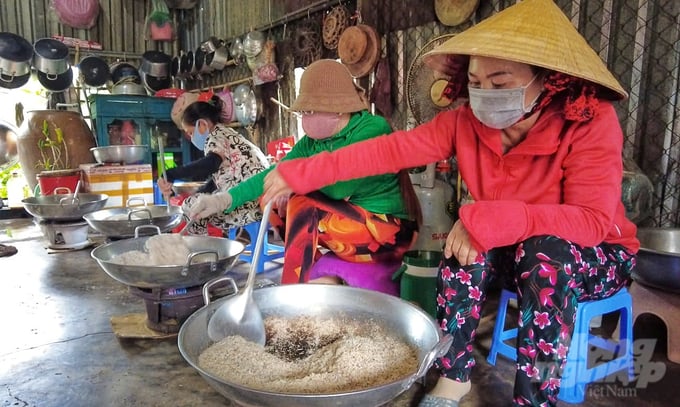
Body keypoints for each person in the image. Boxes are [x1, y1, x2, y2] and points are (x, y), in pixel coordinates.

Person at [259, 0, 639, 406]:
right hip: (511, 248)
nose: (483, 94)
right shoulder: (465, 122)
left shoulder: (589, 121)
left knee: (544, 250)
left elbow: (592, 222)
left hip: (595, 256)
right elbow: (387, 151)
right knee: (463, 248)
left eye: (499, 82)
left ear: (548, 80)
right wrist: (298, 173)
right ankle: (453, 378)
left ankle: (535, 397)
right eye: (475, 81)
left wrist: (489, 220)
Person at [188, 59, 421, 294]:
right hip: (352, 226)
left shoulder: (373, 129)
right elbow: (272, 175)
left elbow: (339, 187)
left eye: (309, 111)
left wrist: (293, 182)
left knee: (300, 204)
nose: (305, 117)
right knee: (272, 198)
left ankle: (293, 294)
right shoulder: (313, 142)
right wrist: (222, 200)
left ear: (338, 107)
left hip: (390, 233)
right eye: (303, 112)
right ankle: (313, 271)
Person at [157, 94, 269, 236]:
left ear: (202, 124)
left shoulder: (214, 137)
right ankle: (203, 244)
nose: (191, 138)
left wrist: (172, 174)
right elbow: (221, 178)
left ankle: (199, 248)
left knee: (190, 206)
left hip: (247, 204)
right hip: (262, 202)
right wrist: (201, 192)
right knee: (199, 200)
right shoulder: (228, 134)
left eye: (191, 133)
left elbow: (211, 164)